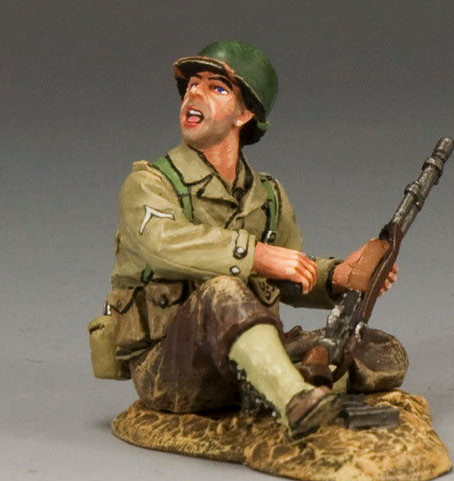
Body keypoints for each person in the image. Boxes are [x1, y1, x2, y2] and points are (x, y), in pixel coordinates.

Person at [101, 40, 400, 437]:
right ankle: (295, 402)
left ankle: (281, 384)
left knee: (378, 351)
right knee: (223, 290)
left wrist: (338, 277)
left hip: (236, 363)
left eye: (216, 88)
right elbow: (163, 244)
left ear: (244, 115)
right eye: (192, 84)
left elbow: (285, 276)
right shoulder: (149, 184)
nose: (195, 93)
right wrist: (255, 255)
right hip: (172, 370)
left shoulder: (268, 196)